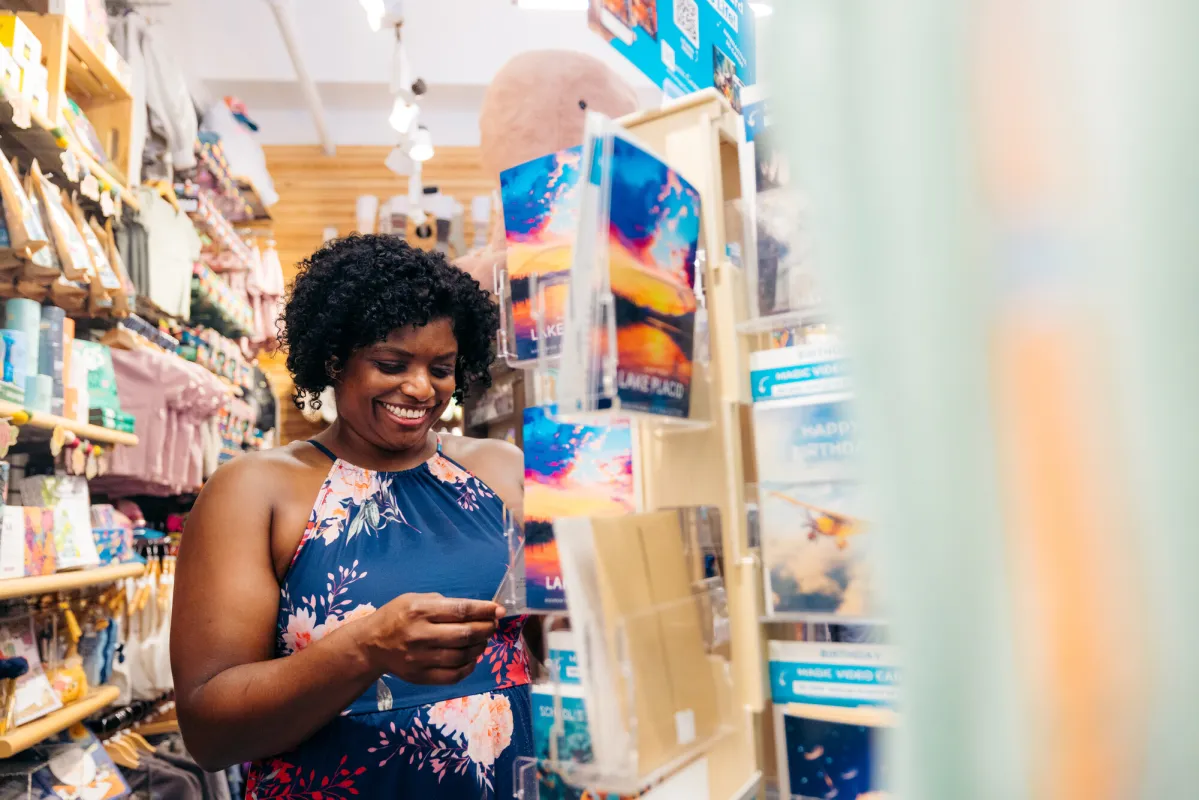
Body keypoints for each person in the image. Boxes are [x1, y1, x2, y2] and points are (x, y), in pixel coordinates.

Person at [172, 235, 531, 799]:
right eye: (391, 364)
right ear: (334, 359)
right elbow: (209, 731)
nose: (420, 388)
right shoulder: (254, 491)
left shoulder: (500, 472)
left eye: (441, 368)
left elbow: (543, 647)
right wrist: (366, 648)